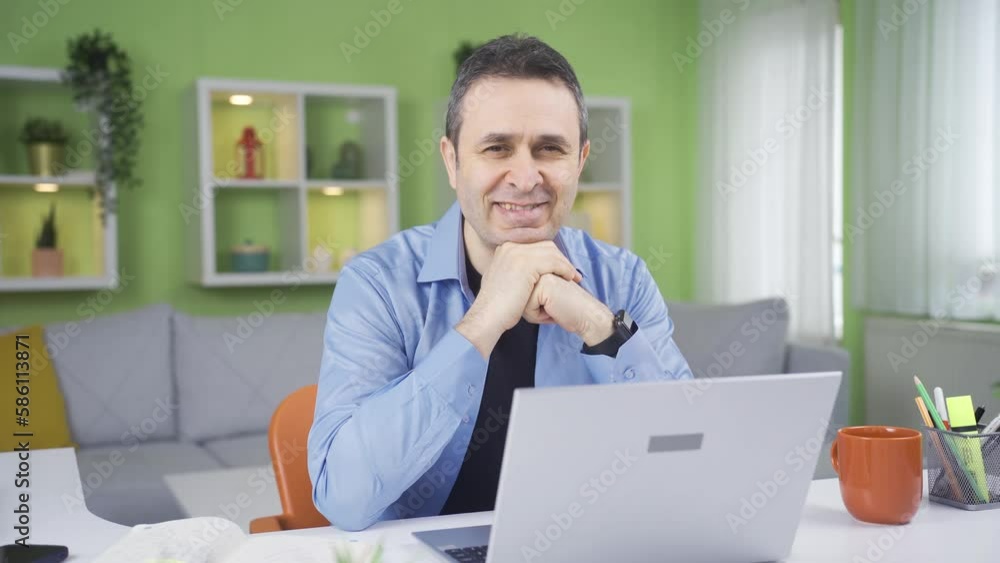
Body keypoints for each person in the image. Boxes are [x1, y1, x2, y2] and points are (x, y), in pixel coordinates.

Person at [307, 33, 693, 532]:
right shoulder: (377, 285)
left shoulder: (623, 278)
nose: (526, 176)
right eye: (497, 147)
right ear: (452, 160)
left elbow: (682, 466)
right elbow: (343, 496)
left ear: (579, 161)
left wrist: (600, 326)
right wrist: (483, 322)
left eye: (550, 149)